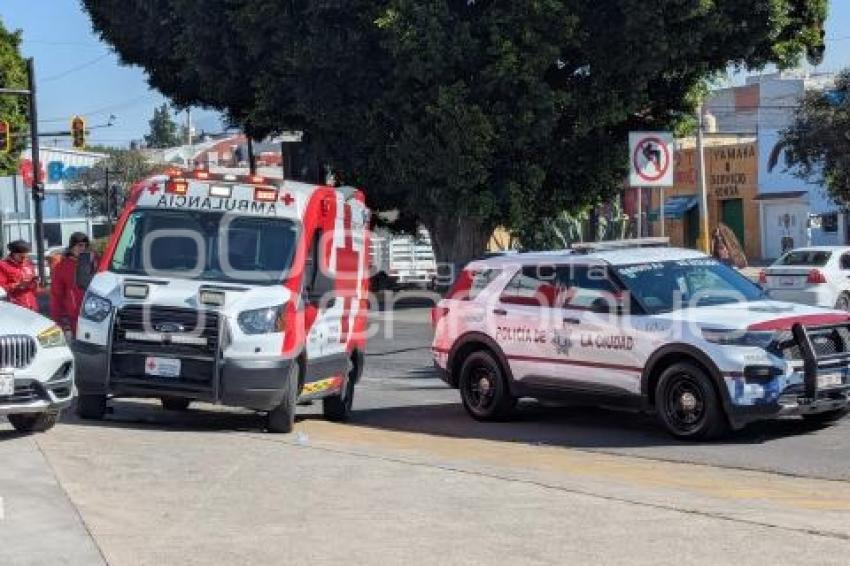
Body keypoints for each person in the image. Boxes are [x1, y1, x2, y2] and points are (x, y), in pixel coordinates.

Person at [51, 232, 95, 336]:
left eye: (85, 245)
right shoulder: (62, 266)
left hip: (93, 313)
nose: (83, 248)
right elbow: (56, 295)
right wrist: (59, 321)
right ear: (72, 247)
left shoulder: (94, 263)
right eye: (80, 245)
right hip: (73, 315)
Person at [0, 240, 39, 311]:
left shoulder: (29, 264)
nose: (24, 259)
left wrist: (34, 284)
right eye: (21, 257)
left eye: (26, 256)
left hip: (32, 306)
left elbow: (34, 289)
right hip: (15, 307)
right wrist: (18, 285)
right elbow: (2, 289)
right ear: (13, 254)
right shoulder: (3, 265)